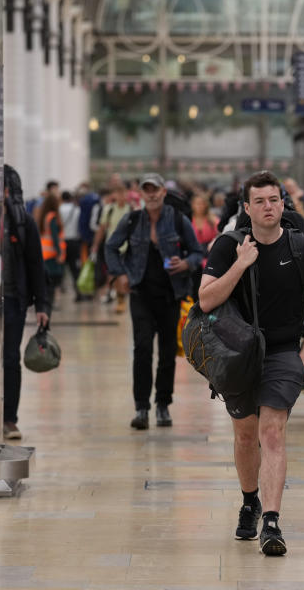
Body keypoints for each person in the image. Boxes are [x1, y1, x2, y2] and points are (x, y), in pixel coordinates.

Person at [198, 170, 304, 556]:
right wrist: (240, 264)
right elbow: (205, 300)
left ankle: (271, 521)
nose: (268, 207)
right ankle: (249, 500)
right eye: (260, 201)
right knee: (244, 434)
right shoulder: (227, 246)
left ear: (283, 203)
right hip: (239, 355)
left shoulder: (302, 247)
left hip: (285, 351)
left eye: (274, 199)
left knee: (272, 432)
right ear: (247, 207)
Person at [105, 173, 203, 430]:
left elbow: (197, 251)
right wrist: (120, 273)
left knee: (168, 351)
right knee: (142, 349)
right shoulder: (132, 219)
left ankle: (162, 404)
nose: (150, 194)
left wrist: (186, 263)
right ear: (141, 193)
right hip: (140, 294)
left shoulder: (177, 219)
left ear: (162, 192)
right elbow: (111, 247)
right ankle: (141, 406)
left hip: (171, 294)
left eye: (154, 189)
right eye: (146, 189)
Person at [2, 165, 50, 440]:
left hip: (12, 298)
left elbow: (35, 263)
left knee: (10, 358)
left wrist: (42, 305)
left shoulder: (22, 221)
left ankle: (9, 418)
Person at [93, 185, 132, 313]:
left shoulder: (131, 209)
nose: (121, 197)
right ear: (114, 195)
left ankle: (121, 299)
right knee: (113, 275)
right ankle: (120, 298)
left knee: (124, 275)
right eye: (118, 193)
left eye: (123, 193)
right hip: (112, 248)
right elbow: (101, 228)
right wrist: (95, 245)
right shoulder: (108, 209)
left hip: (127, 248)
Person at [36, 194, 66, 309]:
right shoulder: (52, 217)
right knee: (53, 282)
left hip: (45, 254)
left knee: (47, 282)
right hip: (52, 254)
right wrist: (59, 253)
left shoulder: (44, 217)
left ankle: (46, 303)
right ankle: (50, 303)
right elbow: (55, 237)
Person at [59, 191, 84, 301]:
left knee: (61, 267)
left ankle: (59, 290)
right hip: (74, 241)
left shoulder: (58, 209)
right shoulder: (77, 210)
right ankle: (78, 292)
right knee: (75, 269)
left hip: (62, 242)